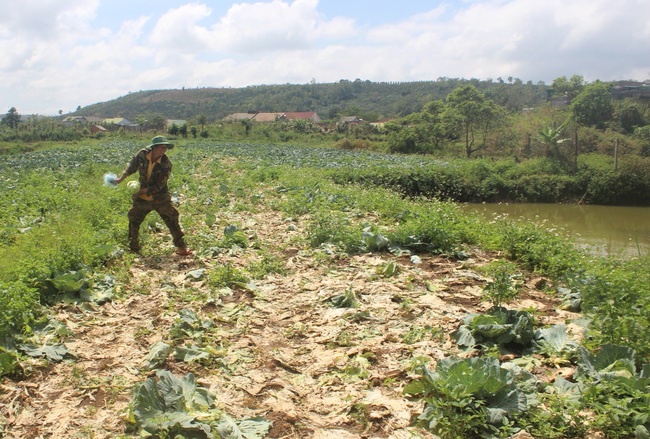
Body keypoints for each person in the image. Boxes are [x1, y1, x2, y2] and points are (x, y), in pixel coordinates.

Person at [114, 136, 192, 256]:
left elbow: (160, 185)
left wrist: (145, 191)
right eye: (161, 147)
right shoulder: (142, 155)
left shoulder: (166, 163)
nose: (163, 150)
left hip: (160, 197)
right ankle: (134, 248)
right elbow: (131, 168)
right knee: (134, 219)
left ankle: (181, 248)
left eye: (165, 148)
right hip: (143, 198)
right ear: (153, 147)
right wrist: (120, 179)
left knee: (172, 218)